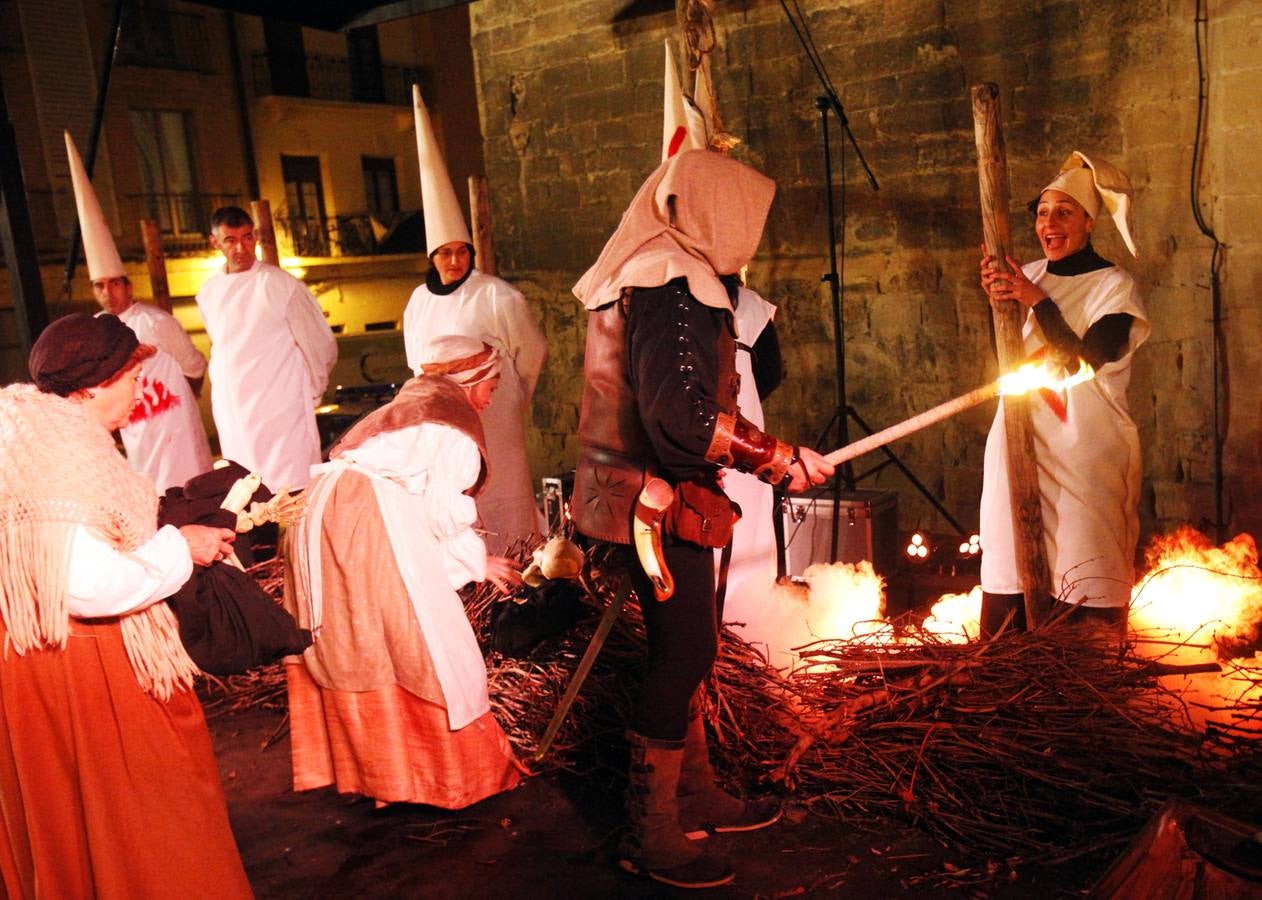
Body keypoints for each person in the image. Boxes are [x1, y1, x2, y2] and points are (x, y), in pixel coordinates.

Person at [572, 149, 834, 889]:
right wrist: (777, 458)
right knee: (682, 654)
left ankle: (693, 789)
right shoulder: (667, 282)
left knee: (688, 647)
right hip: (652, 502)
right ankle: (649, 833)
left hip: (652, 495)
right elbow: (681, 419)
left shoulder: (659, 271)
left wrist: (771, 456)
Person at [0, 313, 252, 898]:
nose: (141, 390)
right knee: (147, 815)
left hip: (31, 659)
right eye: (131, 377)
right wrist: (180, 547)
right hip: (78, 663)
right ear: (92, 387)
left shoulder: (29, 431)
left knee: (70, 817)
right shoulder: (63, 461)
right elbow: (87, 586)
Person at [283, 334, 525, 809]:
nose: (492, 396)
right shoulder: (453, 425)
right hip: (364, 520)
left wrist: (475, 560)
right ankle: (451, 778)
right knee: (427, 641)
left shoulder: (411, 408)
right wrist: (477, 561)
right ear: (471, 382)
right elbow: (441, 512)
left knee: (360, 641)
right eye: (491, 384)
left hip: (319, 514)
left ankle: (381, 779)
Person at [978, 151, 1149, 636]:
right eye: (1041, 213)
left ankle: (1082, 682)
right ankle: (1006, 675)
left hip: (1083, 450)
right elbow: (1009, 344)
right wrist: (997, 294)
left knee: (1084, 560)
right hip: (1018, 437)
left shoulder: (1114, 287)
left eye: (1064, 212)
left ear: (1090, 222)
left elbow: (1080, 363)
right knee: (1009, 547)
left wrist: (1036, 301)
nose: (1049, 224)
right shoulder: (1028, 273)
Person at [402, 86, 547, 553]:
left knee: (503, 497)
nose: (454, 260)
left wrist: (512, 398)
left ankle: (519, 570)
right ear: (432, 257)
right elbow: (416, 365)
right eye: (444, 253)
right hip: (445, 422)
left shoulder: (496, 295)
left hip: (495, 413)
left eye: (461, 251)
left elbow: (532, 352)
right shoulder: (417, 303)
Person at [64, 130, 212, 490]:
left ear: (128, 286)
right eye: (101, 285)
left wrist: (178, 399)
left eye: (115, 283)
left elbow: (194, 366)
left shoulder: (156, 322)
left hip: (177, 433)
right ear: (93, 290)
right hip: (138, 438)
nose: (109, 292)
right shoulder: (97, 331)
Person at [196, 206, 337, 492]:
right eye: (230, 240)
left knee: (291, 487)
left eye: (247, 238)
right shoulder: (208, 292)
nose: (240, 248)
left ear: (256, 238)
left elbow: (319, 343)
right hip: (234, 408)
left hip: (281, 406)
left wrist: (313, 390)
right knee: (246, 488)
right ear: (215, 243)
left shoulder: (281, 284)